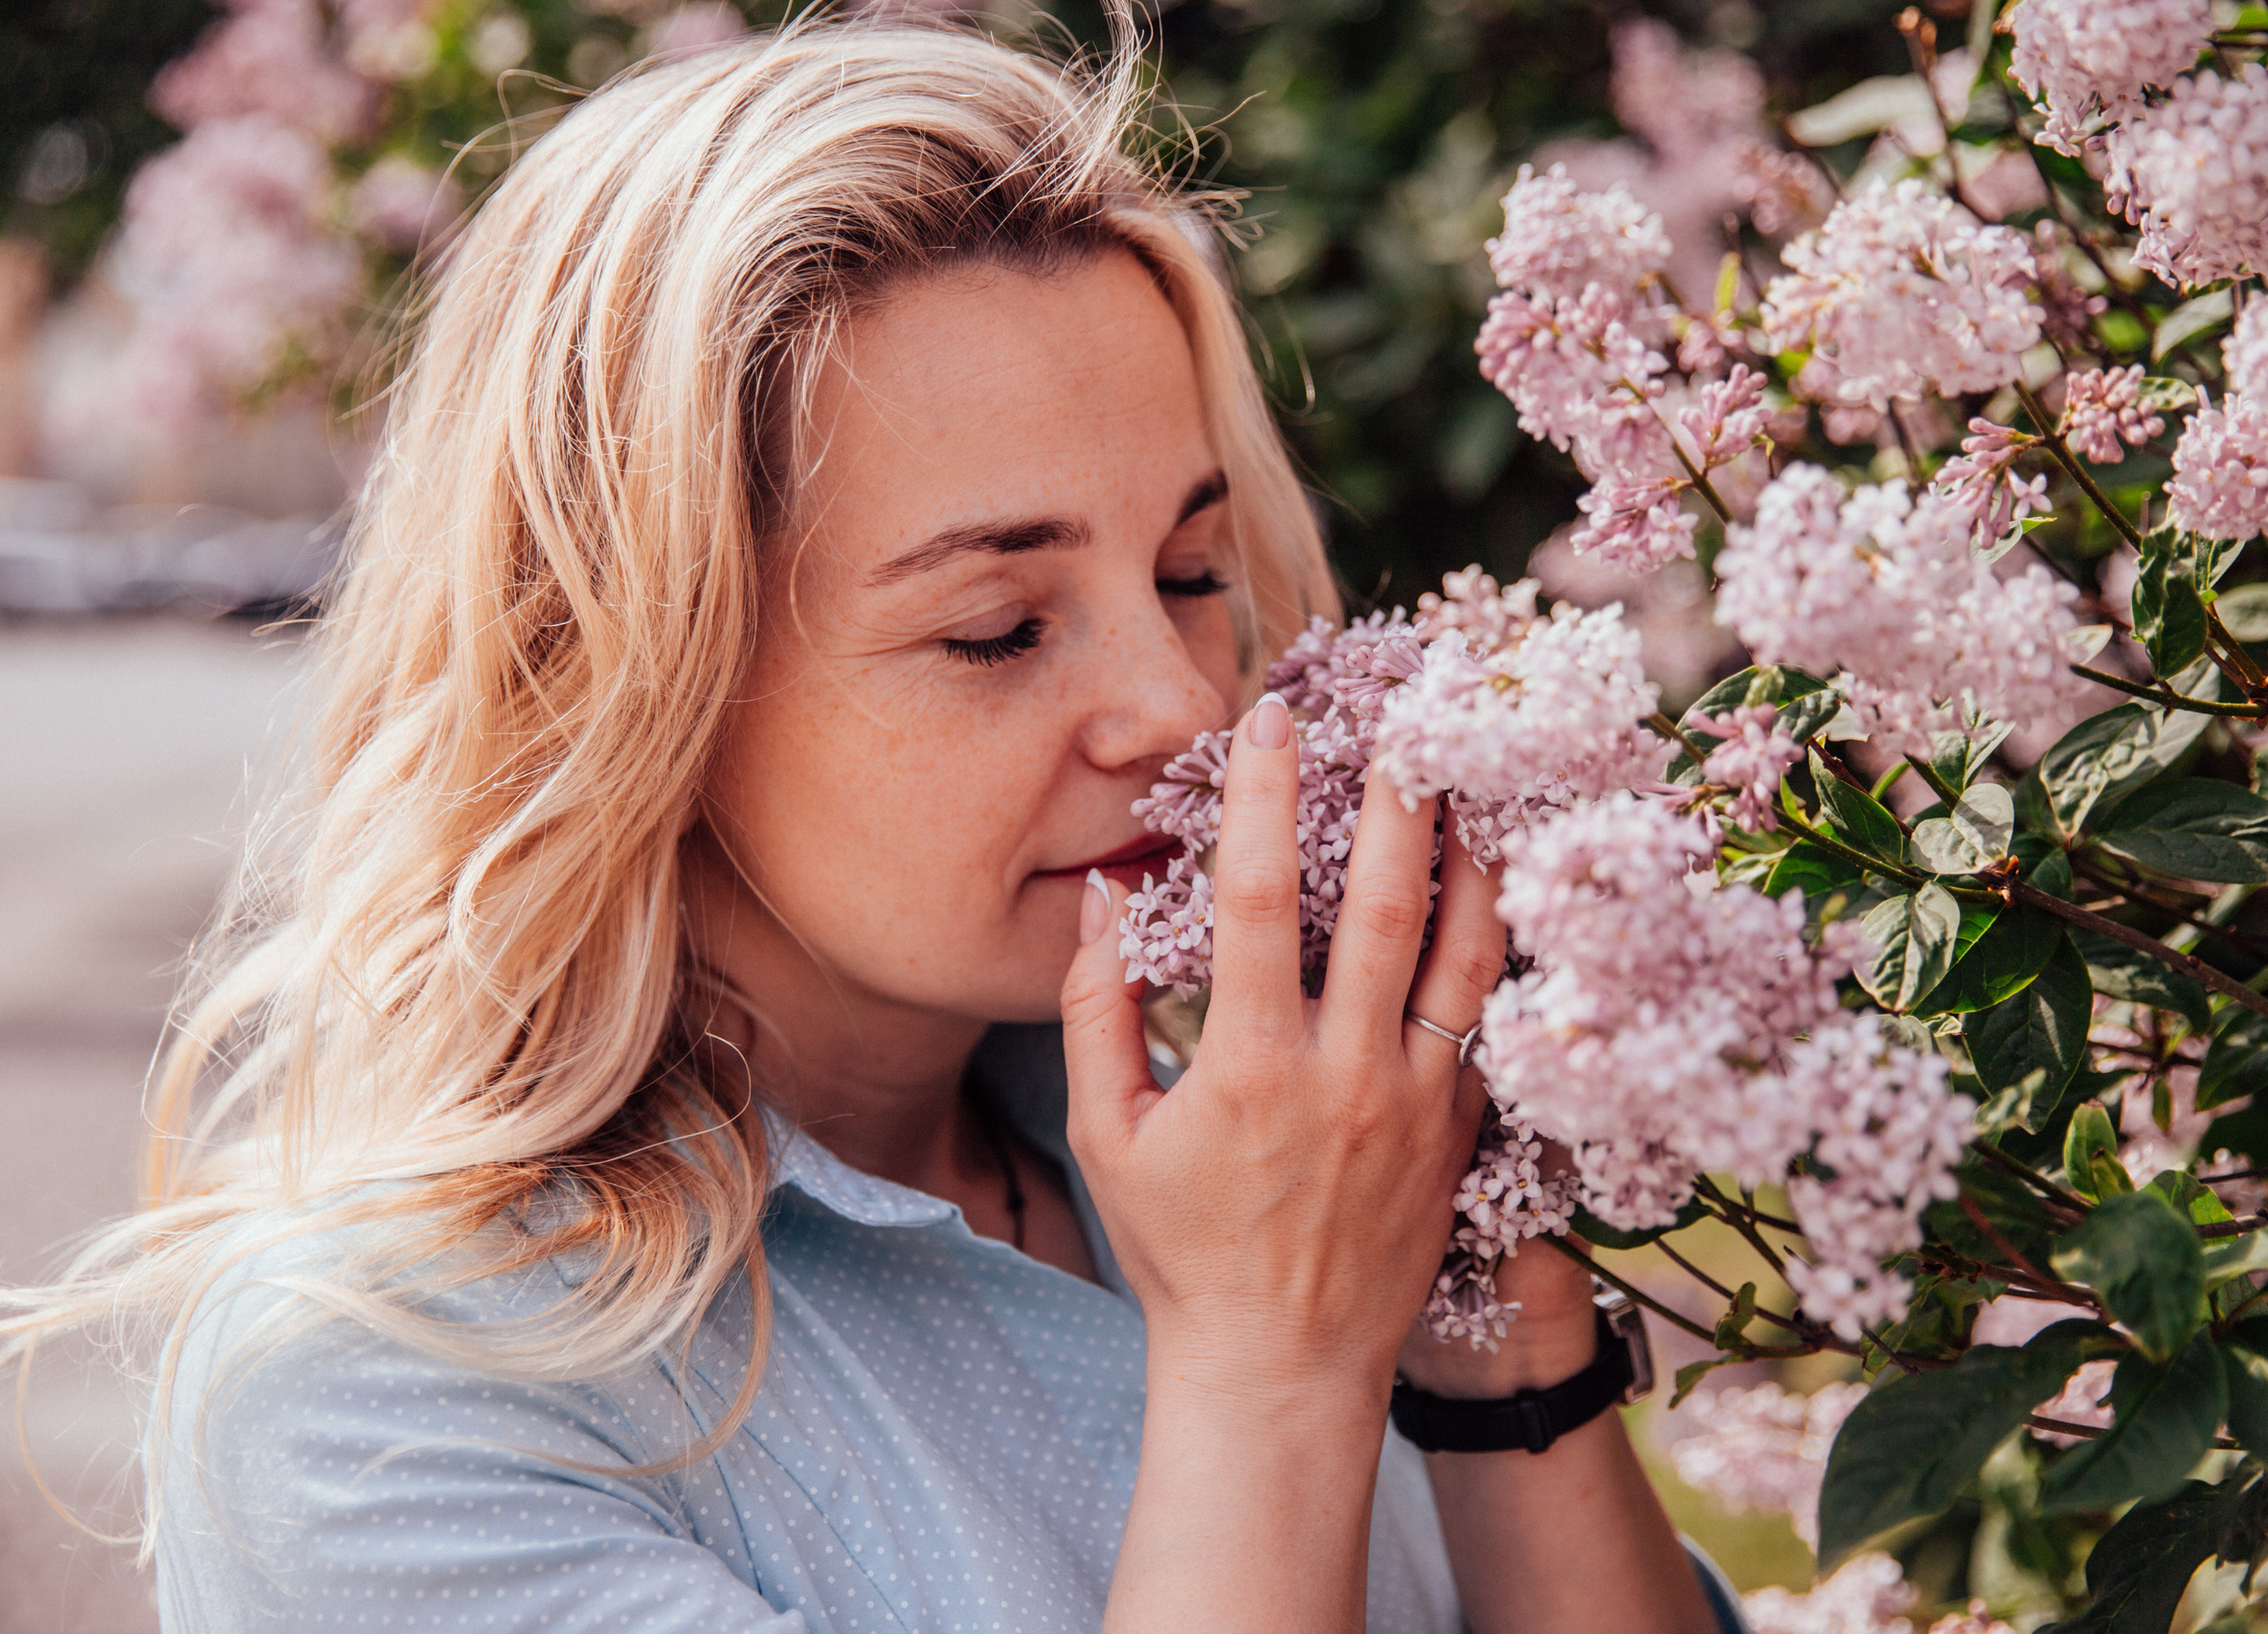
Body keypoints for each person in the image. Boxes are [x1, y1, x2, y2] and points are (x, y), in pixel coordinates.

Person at [8, 15, 1742, 1631]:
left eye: (1193, 571)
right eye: (997, 626)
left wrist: (1484, 1316)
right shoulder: (384, 1402)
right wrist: (1276, 1369)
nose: (1187, 707)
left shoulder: (1248, 1152)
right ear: (636, 683)